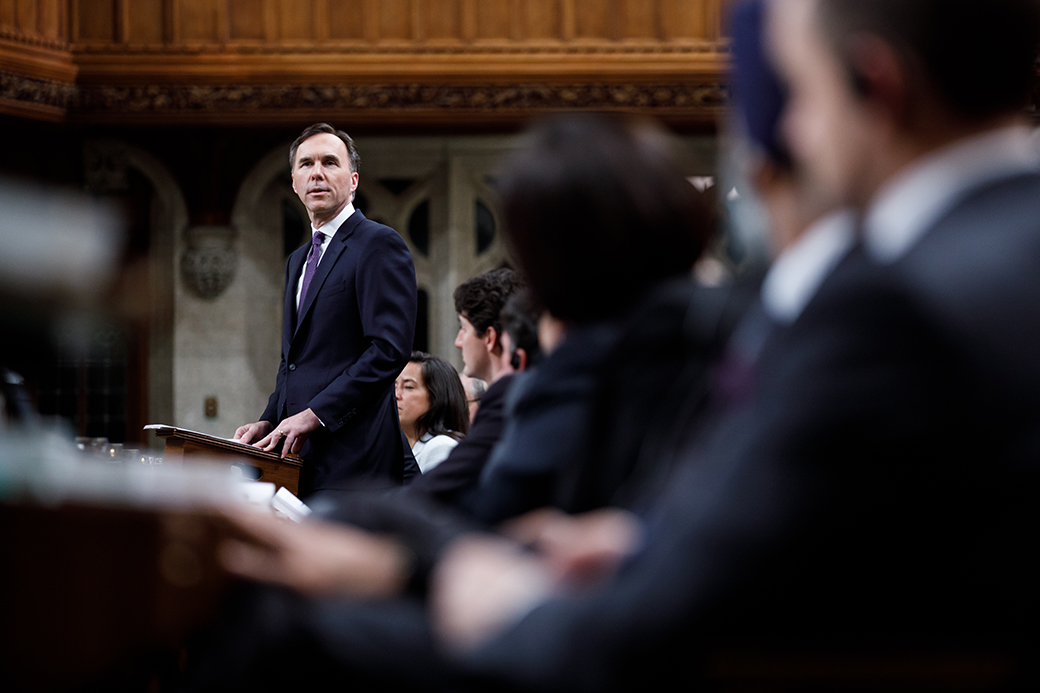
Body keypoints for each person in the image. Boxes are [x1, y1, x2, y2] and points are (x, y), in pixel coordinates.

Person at [232, 123, 418, 495]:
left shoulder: (379, 244)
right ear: (294, 183)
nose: (316, 172)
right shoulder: (298, 260)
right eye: (306, 164)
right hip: (298, 455)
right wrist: (270, 420)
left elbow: (388, 351)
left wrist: (315, 415)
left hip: (355, 453)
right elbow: (294, 362)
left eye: (329, 162)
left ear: (353, 180)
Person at [396, 352, 469, 474]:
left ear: (436, 397)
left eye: (408, 387)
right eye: (394, 386)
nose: (396, 395)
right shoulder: (401, 449)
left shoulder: (440, 447)